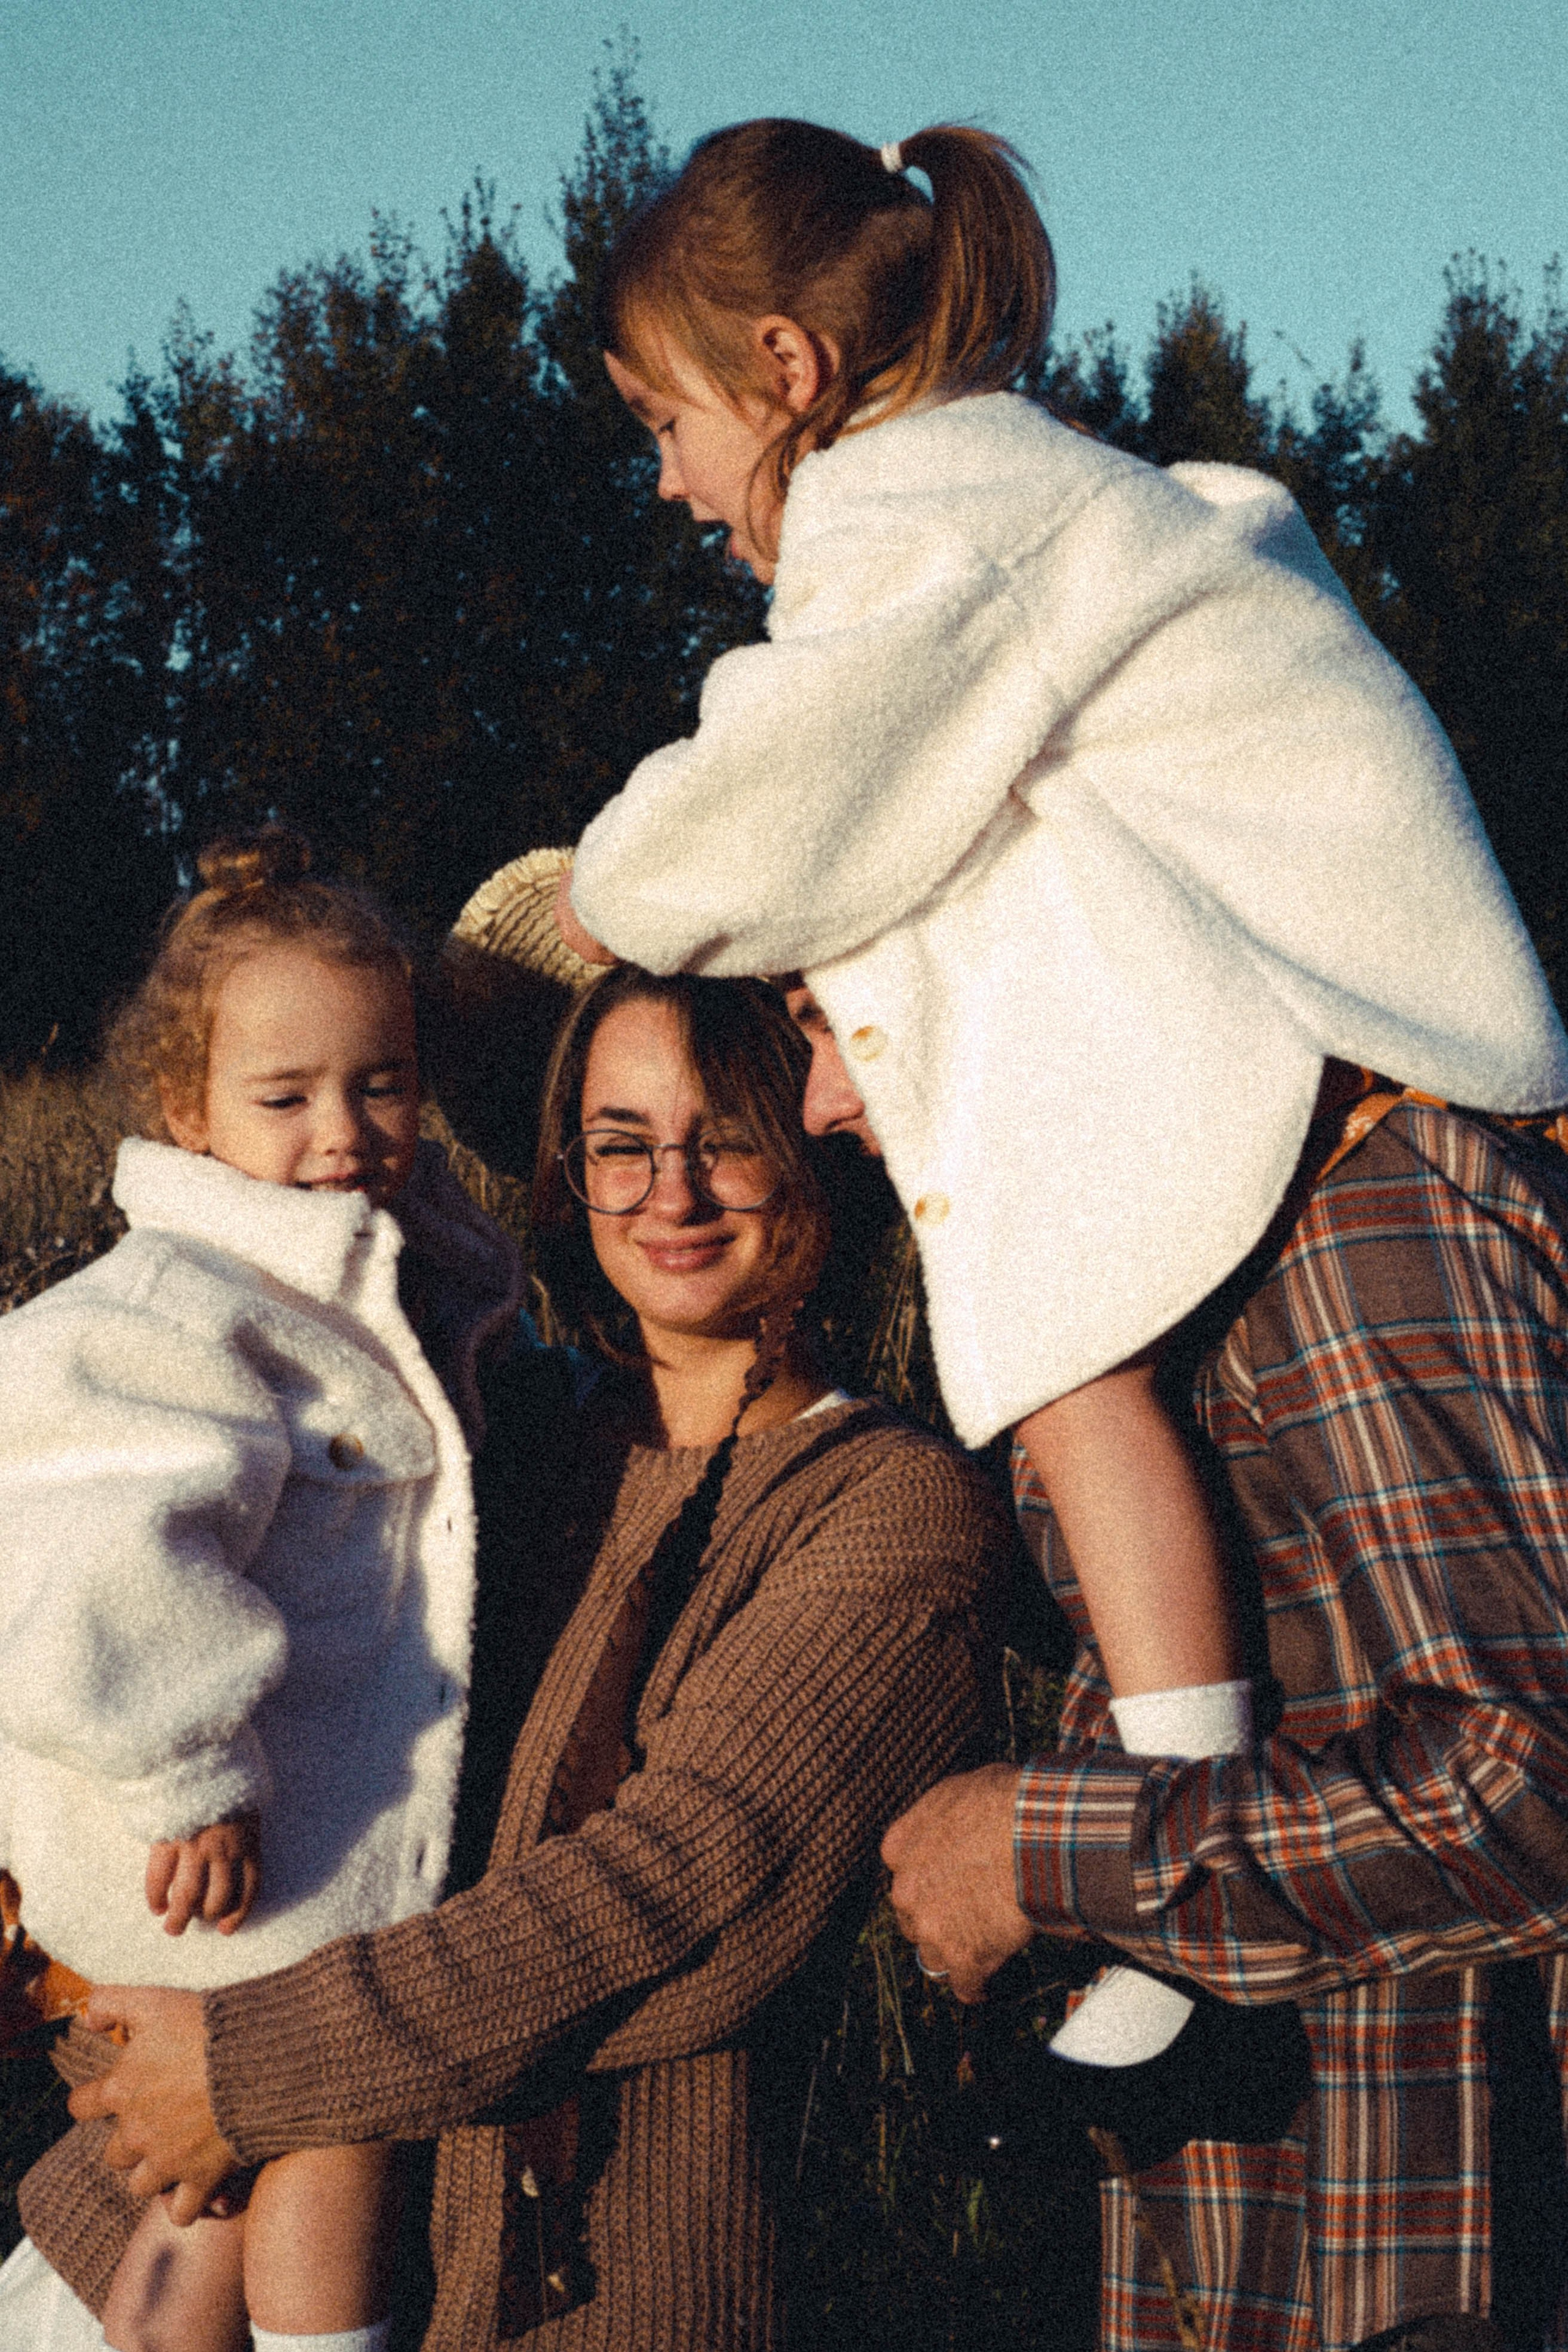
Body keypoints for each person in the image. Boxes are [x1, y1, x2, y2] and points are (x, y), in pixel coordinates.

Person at [549, 115, 1568, 2089]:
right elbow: (1000, 892)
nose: (669, 483)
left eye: (664, 420)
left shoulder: (937, 524)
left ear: (787, 373)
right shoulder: (1024, 572)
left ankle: (1153, 1846)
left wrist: (1066, 1845)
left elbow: (753, 814)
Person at [22, 954, 1008, 2352]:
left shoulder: (889, 1507)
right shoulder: (498, 1435)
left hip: (568, 2283)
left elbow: (673, 1899)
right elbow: (192, 1620)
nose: (670, 1193)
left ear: (819, 1152)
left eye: (726, 1140)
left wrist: (245, 2069)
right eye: (620, 1145)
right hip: (149, 2222)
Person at [787, 986, 1568, 2351]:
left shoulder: (1368, 1218)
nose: (824, 1102)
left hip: (1422, 2233)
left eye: (849, 1019)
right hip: (1269, 2214)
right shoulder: (1167, 1267)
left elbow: (1529, 1782)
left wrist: (1039, 1845)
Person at [0, 831, 526, 2352]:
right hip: (222, 1835)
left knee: (203, 2196)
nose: (343, 1132)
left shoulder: (352, 1274)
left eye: (381, 1085)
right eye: (283, 1100)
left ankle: (173, 2333)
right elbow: (93, 1554)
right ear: (187, 1108)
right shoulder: (175, 1307)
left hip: (268, 1829)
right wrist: (189, 1768)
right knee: (327, 2118)